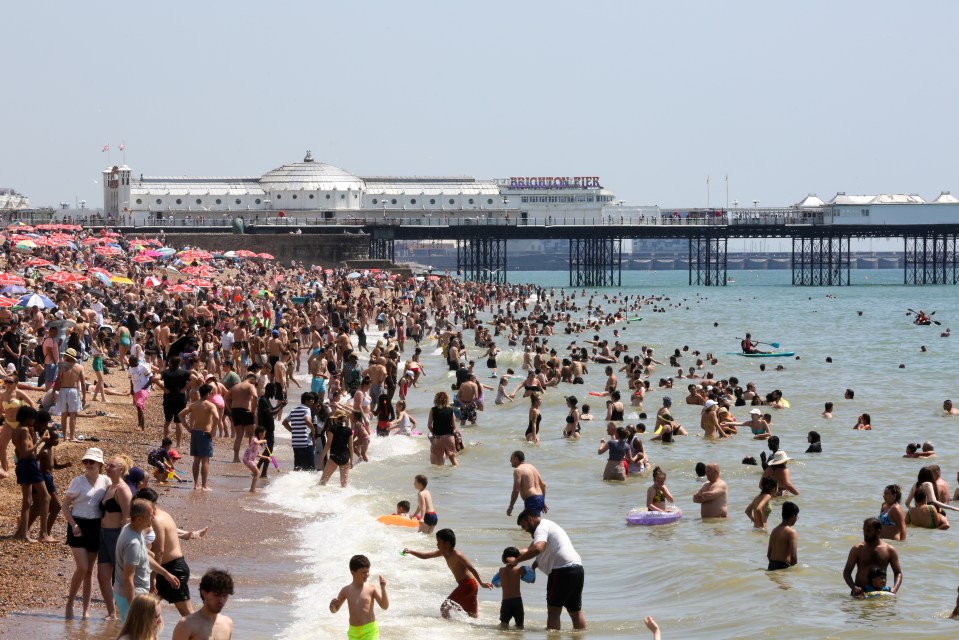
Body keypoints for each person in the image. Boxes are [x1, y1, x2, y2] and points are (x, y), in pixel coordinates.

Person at [510, 510, 586, 631]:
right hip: (577, 569)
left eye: (524, 526)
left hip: (562, 571)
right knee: (575, 611)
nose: (525, 530)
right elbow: (533, 549)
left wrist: (516, 561)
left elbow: (538, 548)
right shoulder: (548, 526)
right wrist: (528, 563)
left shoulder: (541, 528)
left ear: (530, 519)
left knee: (553, 611)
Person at [114, 499, 181, 623]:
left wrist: (166, 574)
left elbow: (145, 556)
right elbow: (128, 578)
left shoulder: (133, 529)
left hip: (134, 594)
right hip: (132, 596)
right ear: (139, 519)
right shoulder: (132, 543)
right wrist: (133, 607)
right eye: (150, 515)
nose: (153, 518)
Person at [62, 447, 110, 619]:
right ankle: (69, 603)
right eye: (86, 462)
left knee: (89, 570)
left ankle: (86, 610)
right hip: (78, 525)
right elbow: (64, 506)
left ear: (100, 464)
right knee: (81, 567)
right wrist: (73, 524)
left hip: (96, 526)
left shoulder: (106, 481)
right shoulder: (77, 481)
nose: (88, 464)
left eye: (92, 462)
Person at [403, 528, 492, 619]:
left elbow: (472, 569)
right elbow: (425, 556)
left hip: (468, 585)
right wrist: (410, 552)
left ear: (447, 544)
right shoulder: (443, 552)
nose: (437, 544)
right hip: (468, 585)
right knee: (471, 615)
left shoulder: (457, 555)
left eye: (439, 542)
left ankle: (449, 627)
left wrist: (482, 583)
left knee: (444, 607)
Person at [136, 487, 194, 616]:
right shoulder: (163, 514)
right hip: (167, 567)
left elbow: (159, 550)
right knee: (146, 610)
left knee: (188, 615)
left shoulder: (156, 520)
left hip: (173, 570)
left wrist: (153, 578)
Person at [99, 455, 134, 620]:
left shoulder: (123, 489)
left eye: (111, 466)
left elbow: (127, 517)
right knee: (102, 575)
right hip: (103, 534)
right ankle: (112, 612)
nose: (107, 468)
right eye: (107, 465)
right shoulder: (109, 487)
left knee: (120, 577)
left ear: (121, 469)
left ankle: (127, 613)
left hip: (115, 535)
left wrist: (122, 539)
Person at [12, 406, 52, 542]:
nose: (34, 420)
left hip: (23, 465)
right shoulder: (23, 430)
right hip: (29, 465)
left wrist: (34, 437)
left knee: (27, 501)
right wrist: (41, 441)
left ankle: (23, 534)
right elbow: (26, 452)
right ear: (27, 417)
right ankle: (43, 534)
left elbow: (23, 450)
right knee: (45, 497)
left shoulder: (18, 430)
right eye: (32, 418)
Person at [329, 555, 389, 640]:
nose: (367, 574)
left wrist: (383, 587)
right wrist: (332, 606)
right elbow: (334, 610)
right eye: (363, 572)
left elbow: (384, 606)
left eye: (368, 571)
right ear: (353, 572)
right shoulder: (346, 590)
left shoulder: (372, 588)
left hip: (370, 630)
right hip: (353, 632)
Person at [843, 518, 903, 598]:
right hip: (860, 595)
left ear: (878, 531)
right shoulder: (857, 549)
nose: (865, 534)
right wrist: (854, 588)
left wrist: (895, 589)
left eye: (868, 531)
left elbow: (898, 573)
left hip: (881, 594)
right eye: (864, 530)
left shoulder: (889, 550)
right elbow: (847, 572)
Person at [171, 568, 234, 640]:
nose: (221, 600)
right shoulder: (187, 624)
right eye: (216, 595)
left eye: (225, 595)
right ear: (204, 593)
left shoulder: (227, 624)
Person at [179, 383, 219, 491]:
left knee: (196, 460)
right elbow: (216, 417)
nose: (212, 394)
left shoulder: (194, 404)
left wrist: (188, 428)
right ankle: (204, 486)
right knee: (205, 460)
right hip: (205, 433)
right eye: (211, 393)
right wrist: (213, 430)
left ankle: (196, 484)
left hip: (195, 433)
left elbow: (180, 415)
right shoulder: (210, 405)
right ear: (207, 394)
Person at [492, 546, 534, 630]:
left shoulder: (501, 570)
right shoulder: (520, 570)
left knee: (503, 625)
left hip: (506, 602)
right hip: (517, 601)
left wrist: (501, 583)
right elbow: (531, 580)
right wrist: (531, 568)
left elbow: (494, 581)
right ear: (518, 559)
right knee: (520, 626)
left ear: (504, 559)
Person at [55, 347, 86, 442]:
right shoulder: (79, 367)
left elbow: (58, 380)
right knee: (73, 414)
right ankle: (72, 436)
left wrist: (53, 392)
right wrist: (84, 396)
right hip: (74, 390)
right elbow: (83, 382)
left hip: (63, 390)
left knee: (64, 414)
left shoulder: (62, 366)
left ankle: (64, 437)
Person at [319, 409, 355, 488]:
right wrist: (351, 460)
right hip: (345, 457)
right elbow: (351, 446)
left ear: (335, 419)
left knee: (323, 481)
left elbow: (328, 444)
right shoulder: (349, 430)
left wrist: (322, 457)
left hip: (334, 456)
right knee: (344, 484)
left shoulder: (332, 429)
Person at [507, 450, 548, 517]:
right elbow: (543, 485)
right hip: (540, 498)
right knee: (533, 522)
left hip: (532, 499)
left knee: (530, 524)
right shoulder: (532, 467)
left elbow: (516, 490)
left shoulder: (518, 470)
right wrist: (542, 501)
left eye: (511, 458)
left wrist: (511, 506)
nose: (510, 461)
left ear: (516, 459)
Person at [283, 392, 316, 471]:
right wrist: (313, 429)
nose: (313, 402)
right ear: (306, 401)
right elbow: (307, 421)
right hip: (305, 443)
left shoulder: (294, 410)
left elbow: (284, 422)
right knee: (309, 468)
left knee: (298, 467)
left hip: (295, 443)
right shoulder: (307, 409)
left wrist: (293, 431)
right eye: (311, 400)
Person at [427, 391, 458, 466]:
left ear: (436, 400)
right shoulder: (450, 410)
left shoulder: (433, 410)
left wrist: (434, 433)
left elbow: (429, 425)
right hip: (449, 437)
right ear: (447, 399)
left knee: (439, 461)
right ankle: (456, 475)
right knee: (453, 459)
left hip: (438, 437)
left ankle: (440, 476)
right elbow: (454, 426)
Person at [766, 501, 799, 571]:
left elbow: (769, 554)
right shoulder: (792, 532)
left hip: (771, 566)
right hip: (784, 566)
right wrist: (793, 571)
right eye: (797, 516)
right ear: (793, 516)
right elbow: (793, 556)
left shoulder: (774, 530)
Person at [244, 426, 270, 493]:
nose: (264, 436)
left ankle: (252, 488)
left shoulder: (258, 444)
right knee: (257, 473)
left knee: (257, 473)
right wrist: (264, 440)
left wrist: (266, 457)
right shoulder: (254, 439)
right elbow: (256, 442)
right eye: (264, 434)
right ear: (260, 433)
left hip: (249, 460)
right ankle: (252, 489)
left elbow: (258, 455)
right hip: (248, 459)